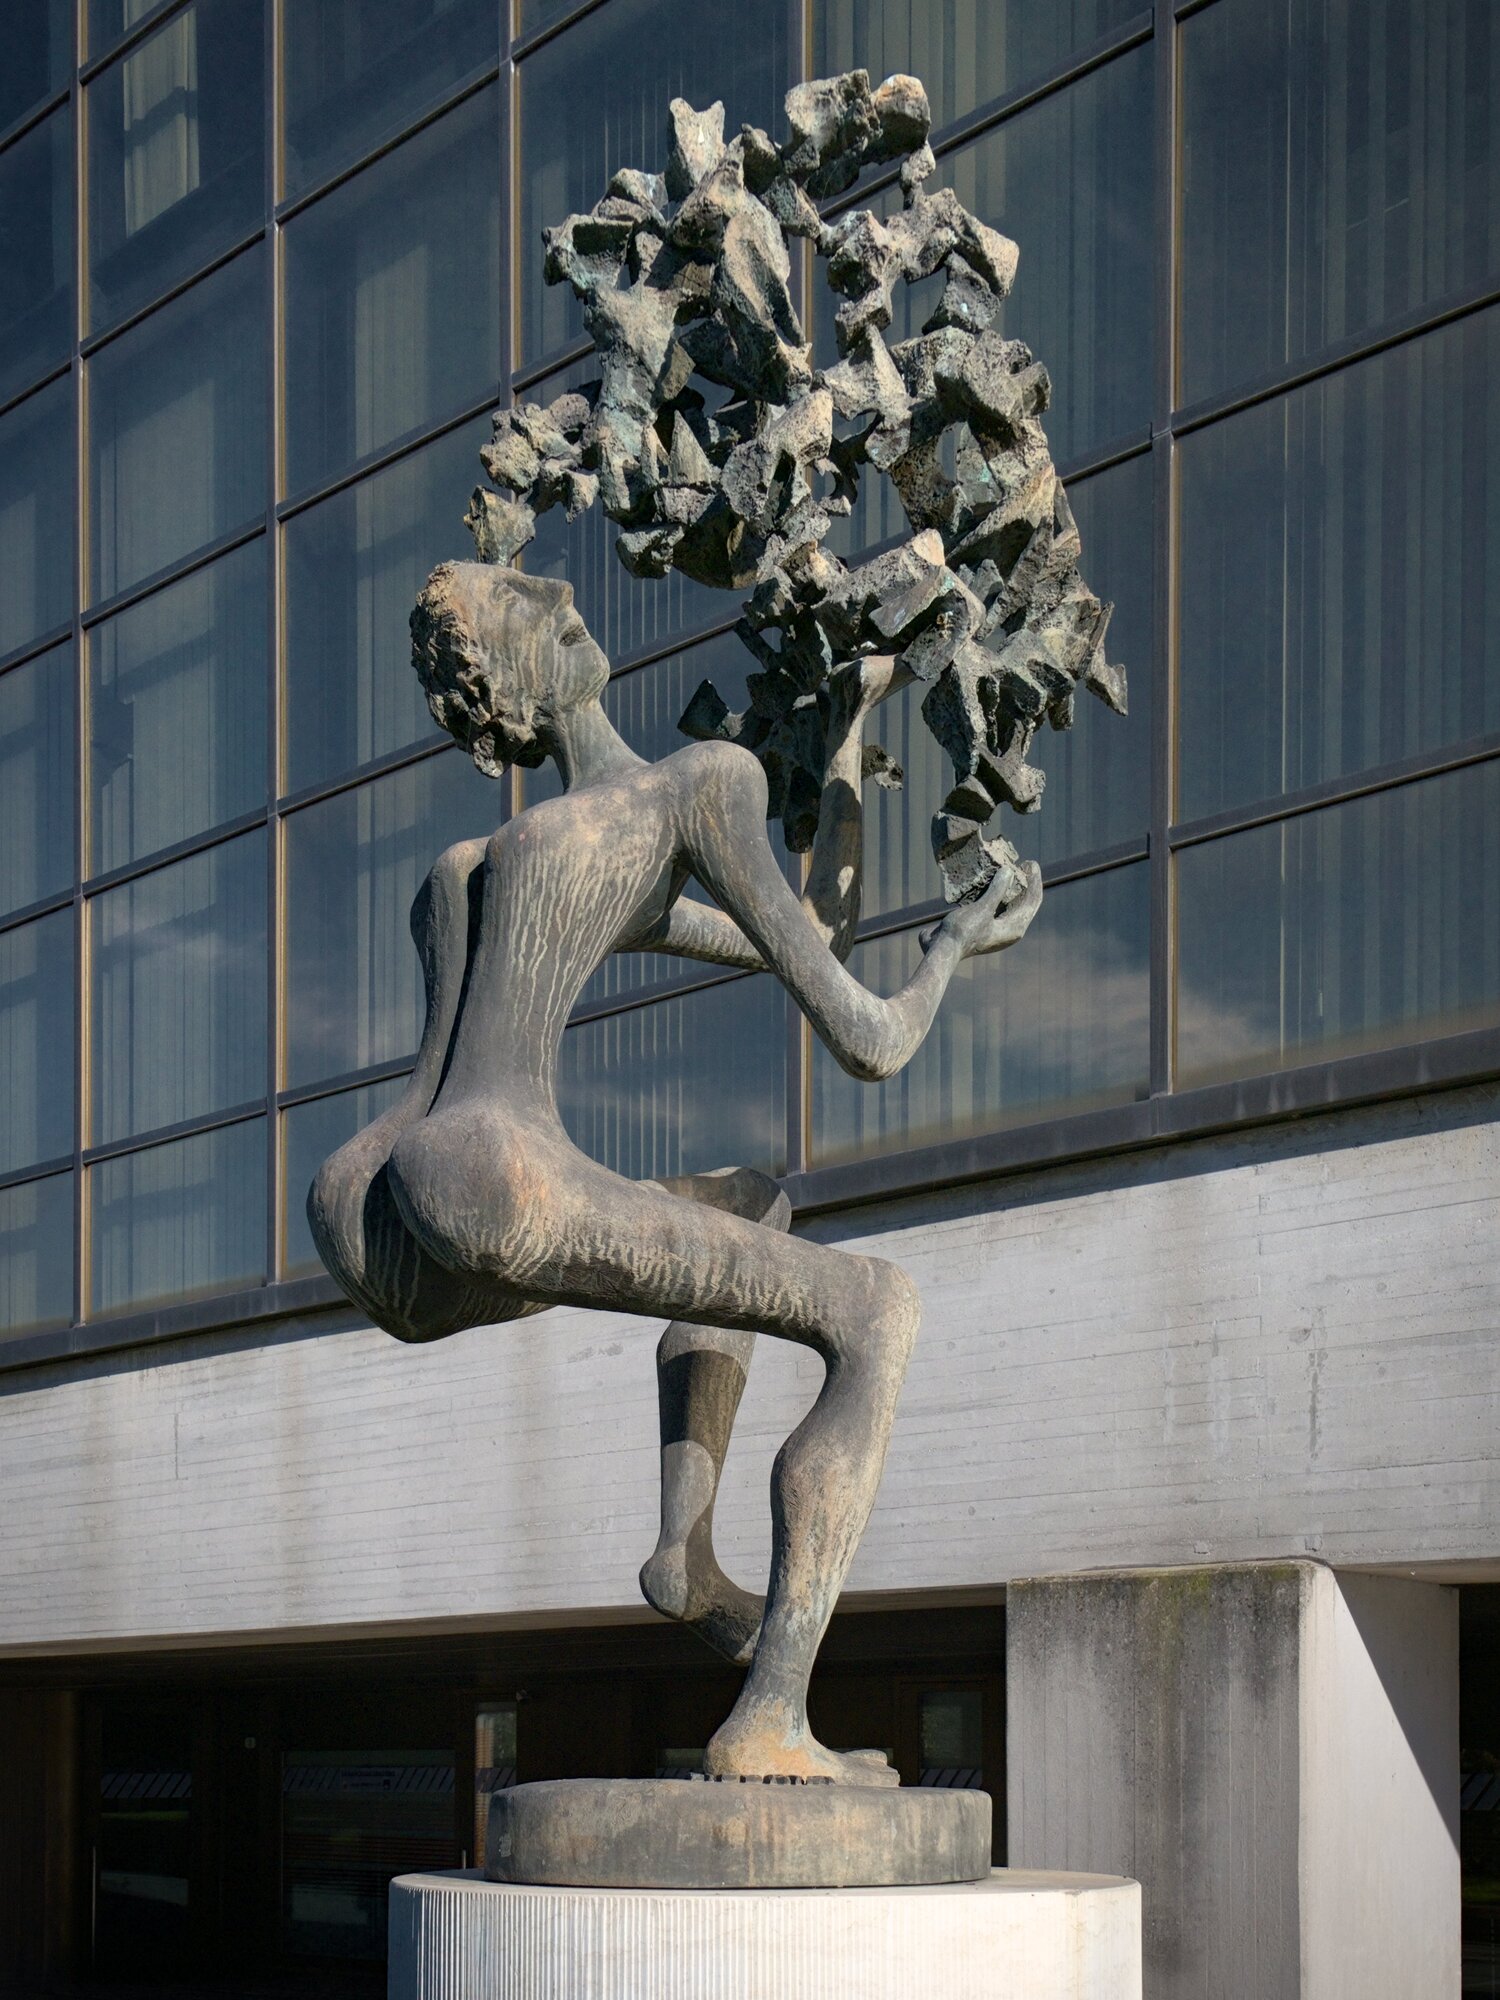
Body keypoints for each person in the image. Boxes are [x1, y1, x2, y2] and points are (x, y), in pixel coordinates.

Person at [309, 560, 1042, 1786]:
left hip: (367, 1203)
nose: (555, 579)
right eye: (524, 591)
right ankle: (770, 1718)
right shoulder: (706, 783)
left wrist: (849, 735)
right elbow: (867, 1033)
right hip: (495, 1173)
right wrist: (952, 944)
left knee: (749, 1202)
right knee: (876, 1309)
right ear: (528, 662)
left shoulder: (479, 857)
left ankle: (682, 1562)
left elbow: (781, 939)